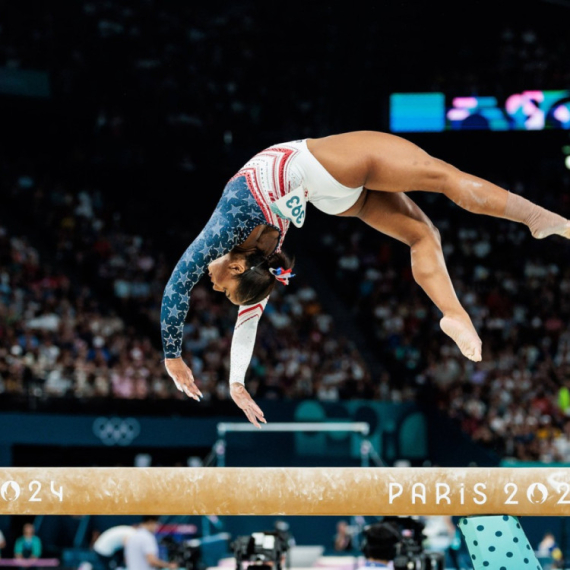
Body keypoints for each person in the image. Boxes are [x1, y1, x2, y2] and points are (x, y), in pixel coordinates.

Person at [161, 131, 570, 425]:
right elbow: (189, 287)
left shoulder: (246, 248)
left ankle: (454, 312)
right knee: (443, 177)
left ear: (237, 268)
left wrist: (202, 367)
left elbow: (197, 294)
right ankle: (536, 220)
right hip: (327, 169)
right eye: (220, 290)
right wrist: (193, 365)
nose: (210, 285)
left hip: (329, 196)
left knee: (423, 235)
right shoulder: (233, 242)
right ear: (237, 267)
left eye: (218, 289)